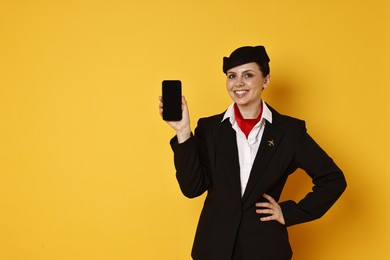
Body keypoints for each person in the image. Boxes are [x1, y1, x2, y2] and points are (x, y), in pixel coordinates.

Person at [159, 46, 347, 260]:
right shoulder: (210, 129)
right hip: (213, 248)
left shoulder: (289, 132)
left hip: (265, 248)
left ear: (266, 80)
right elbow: (192, 188)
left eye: (248, 75)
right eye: (232, 76)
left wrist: (288, 213)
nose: (238, 83)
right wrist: (183, 131)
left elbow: (333, 179)